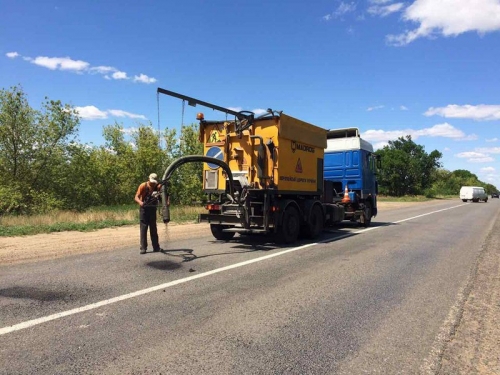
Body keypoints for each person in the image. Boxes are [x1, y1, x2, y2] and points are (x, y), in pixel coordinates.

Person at [134, 173, 163, 254]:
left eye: (154, 182)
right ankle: (143, 248)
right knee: (144, 228)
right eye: (151, 181)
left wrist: (166, 202)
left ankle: (156, 247)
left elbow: (164, 195)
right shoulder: (143, 185)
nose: (153, 183)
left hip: (152, 209)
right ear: (149, 179)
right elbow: (136, 197)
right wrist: (140, 202)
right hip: (144, 209)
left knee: (153, 228)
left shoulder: (158, 186)